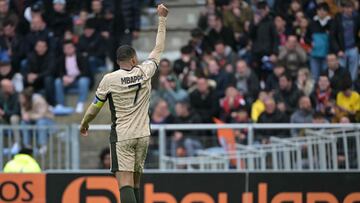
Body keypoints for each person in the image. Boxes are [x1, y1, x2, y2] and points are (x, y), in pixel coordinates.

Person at [79, 4, 168, 203]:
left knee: (124, 183)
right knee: (136, 182)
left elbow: (95, 107)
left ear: (118, 60)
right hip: (143, 134)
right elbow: (159, 47)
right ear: (134, 59)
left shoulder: (109, 79)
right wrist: (162, 19)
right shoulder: (144, 71)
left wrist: (85, 123)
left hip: (123, 136)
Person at [54, 41, 91, 114]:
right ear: (64, 50)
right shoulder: (61, 59)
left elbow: (86, 72)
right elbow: (58, 72)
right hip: (67, 81)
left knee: (83, 80)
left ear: (74, 48)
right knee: (58, 81)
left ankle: (80, 103)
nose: (68, 49)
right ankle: (61, 104)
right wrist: (63, 78)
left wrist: (73, 78)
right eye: (66, 48)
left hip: (78, 80)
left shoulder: (81, 57)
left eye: (70, 47)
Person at [330, 0, 360, 82]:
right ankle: (340, 91)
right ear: (343, 9)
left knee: (353, 75)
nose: (348, 10)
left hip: (353, 48)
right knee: (340, 73)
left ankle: (352, 91)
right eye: (346, 8)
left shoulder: (357, 18)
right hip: (341, 50)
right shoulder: (337, 18)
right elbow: (332, 36)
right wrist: (337, 50)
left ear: (353, 8)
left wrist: (358, 46)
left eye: (350, 8)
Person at [20, 88, 54, 153]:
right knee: (23, 122)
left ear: (27, 97)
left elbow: (42, 114)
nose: (20, 99)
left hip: (47, 120)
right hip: (33, 120)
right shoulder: (23, 101)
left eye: (22, 97)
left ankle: (42, 145)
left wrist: (29, 116)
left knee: (41, 122)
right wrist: (24, 116)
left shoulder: (39, 100)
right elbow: (23, 112)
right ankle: (27, 145)